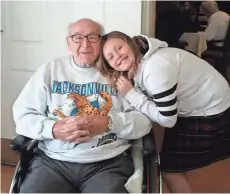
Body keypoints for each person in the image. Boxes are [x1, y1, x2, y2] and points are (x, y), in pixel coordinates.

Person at [12, 19, 152, 193]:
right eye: (78, 37)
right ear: (68, 43)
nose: (85, 44)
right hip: (53, 162)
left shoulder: (120, 70)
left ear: (101, 41)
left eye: (93, 37)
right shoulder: (51, 69)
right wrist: (53, 129)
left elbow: (144, 120)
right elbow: (22, 115)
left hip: (108, 163)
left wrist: (109, 123)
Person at [97, 31, 230, 193]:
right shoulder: (141, 58)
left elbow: (168, 120)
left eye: (119, 48)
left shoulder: (155, 67)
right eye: (110, 57)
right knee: (176, 163)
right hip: (202, 100)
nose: (117, 56)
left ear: (130, 43)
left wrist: (131, 94)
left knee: (170, 170)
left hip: (210, 109)